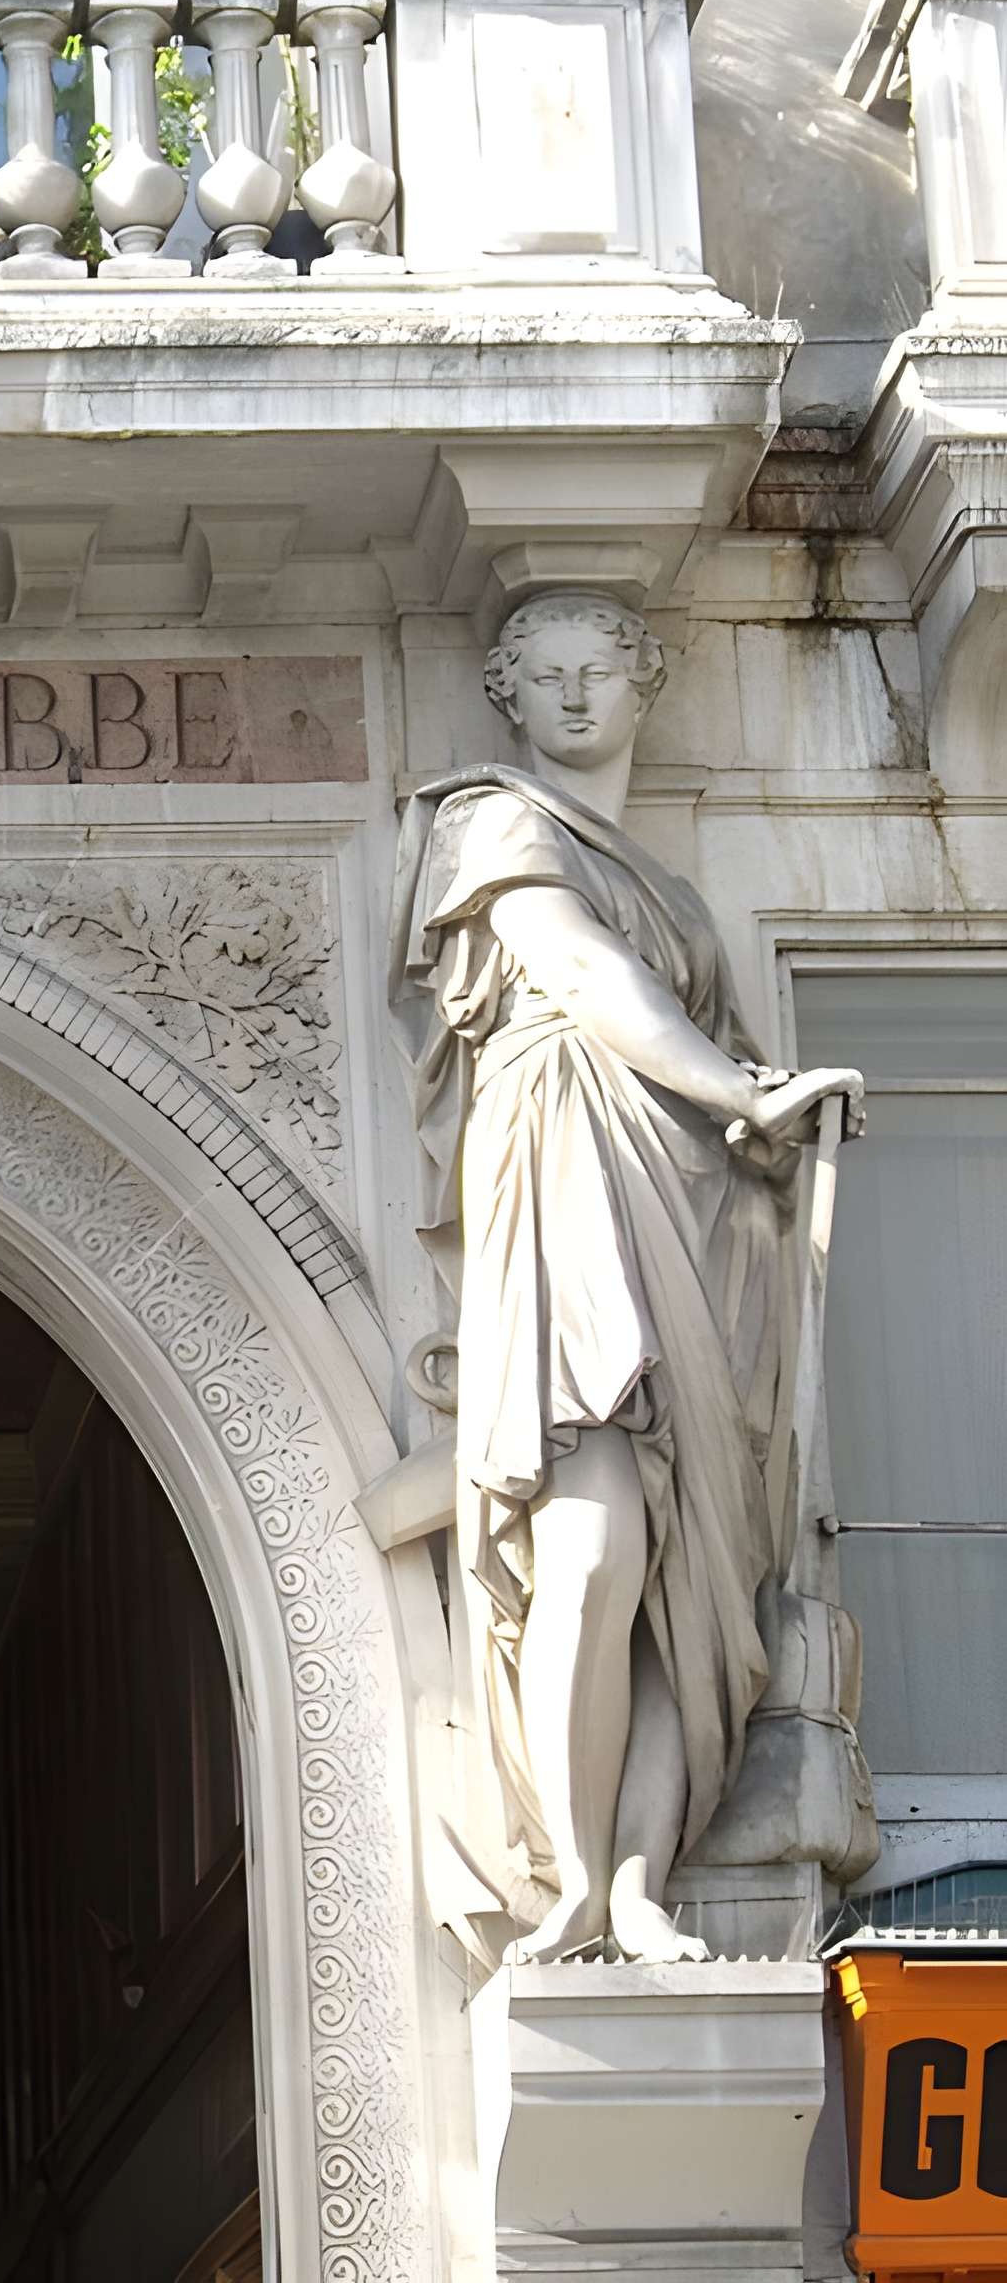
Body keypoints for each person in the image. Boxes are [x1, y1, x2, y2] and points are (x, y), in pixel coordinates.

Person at [391, 589, 860, 1963]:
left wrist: (756, 1134)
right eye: (546, 676)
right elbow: (582, 971)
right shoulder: (492, 823)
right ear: (507, 693)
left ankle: (644, 1879)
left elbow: (661, 1008)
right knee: (589, 1545)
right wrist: (742, 1088)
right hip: (572, 1182)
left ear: (646, 685)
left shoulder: (686, 895)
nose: (578, 699)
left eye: (603, 671)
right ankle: (576, 1874)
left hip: (703, 1222)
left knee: (690, 1578)